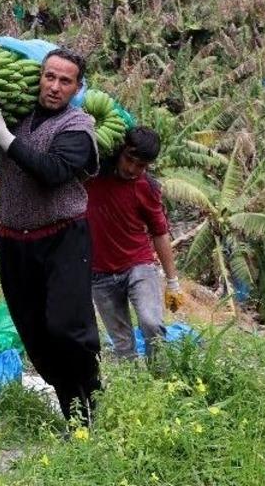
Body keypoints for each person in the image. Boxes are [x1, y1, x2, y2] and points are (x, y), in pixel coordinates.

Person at [0, 48, 101, 423]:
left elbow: (53, 171)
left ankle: (89, 403)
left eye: (64, 81)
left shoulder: (78, 127)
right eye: (49, 76)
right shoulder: (19, 116)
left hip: (63, 238)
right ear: (40, 77)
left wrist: (5, 138)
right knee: (35, 333)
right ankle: (69, 402)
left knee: (67, 326)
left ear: (77, 88)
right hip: (14, 241)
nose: (54, 87)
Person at [86, 126, 184, 362]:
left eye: (140, 165)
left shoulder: (147, 188)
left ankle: (160, 381)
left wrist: (172, 282)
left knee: (152, 324)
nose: (131, 169)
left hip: (137, 265)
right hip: (99, 274)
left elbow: (159, 233)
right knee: (122, 344)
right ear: (120, 151)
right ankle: (135, 389)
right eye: (129, 159)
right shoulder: (92, 174)